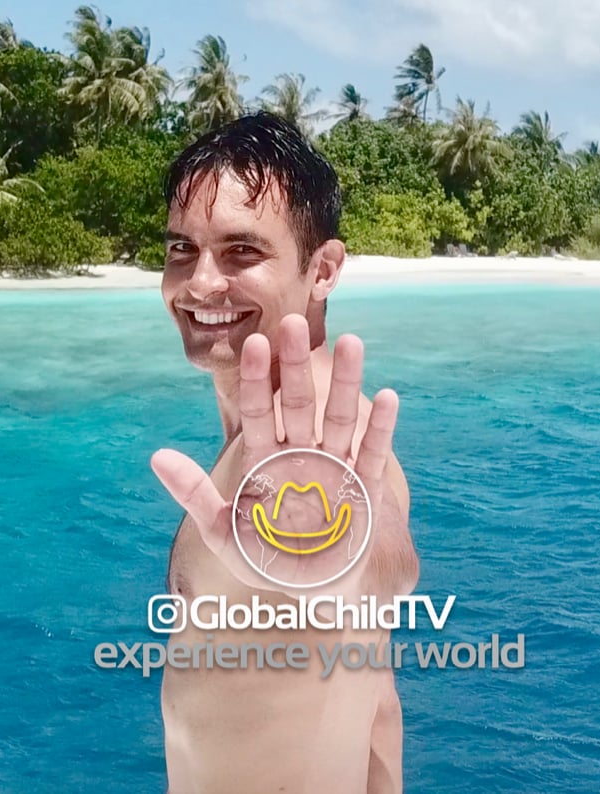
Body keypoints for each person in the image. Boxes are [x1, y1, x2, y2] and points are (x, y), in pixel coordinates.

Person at [150, 111, 419, 794]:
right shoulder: (271, 431)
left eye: (242, 251)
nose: (200, 283)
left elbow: (383, 562)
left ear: (322, 270)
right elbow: (379, 704)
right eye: (182, 248)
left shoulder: (323, 447)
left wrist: (342, 574)